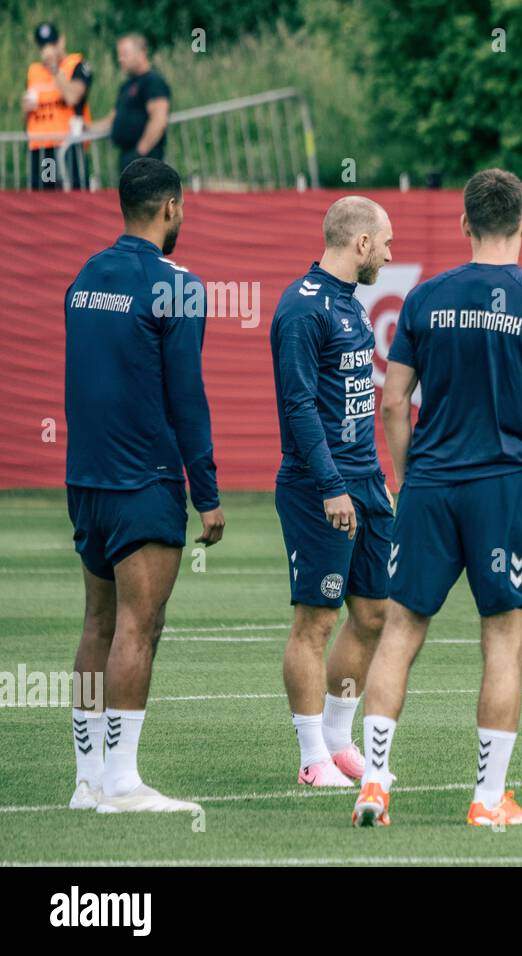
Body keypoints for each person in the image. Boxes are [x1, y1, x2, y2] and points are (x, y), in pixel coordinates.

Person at [351, 168, 522, 828]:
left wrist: (410, 477)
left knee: (399, 634)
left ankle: (373, 785)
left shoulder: (425, 299)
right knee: (503, 644)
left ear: (464, 224)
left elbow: (394, 400)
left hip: (430, 486)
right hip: (502, 488)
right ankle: (488, 800)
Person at [64, 157, 225, 813]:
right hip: (144, 481)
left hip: (87, 479)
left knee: (97, 622)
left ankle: (88, 778)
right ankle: (123, 784)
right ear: (171, 209)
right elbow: (187, 397)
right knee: (141, 624)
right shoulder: (178, 285)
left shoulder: (85, 277)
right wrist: (206, 492)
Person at [269, 197, 395, 787]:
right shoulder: (301, 307)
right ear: (361, 244)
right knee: (315, 620)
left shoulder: (351, 306)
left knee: (373, 613)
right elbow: (297, 405)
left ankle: (340, 739)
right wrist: (332, 486)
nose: (391, 253)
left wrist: (375, 480)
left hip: (366, 483)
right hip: (319, 488)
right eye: (386, 241)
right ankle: (311, 757)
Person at [23, 22, 92, 190]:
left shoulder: (76, 65)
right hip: (43, 149)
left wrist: (54, 68)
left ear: (61, 41)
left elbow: (72, 97)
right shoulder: (34, 71)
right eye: (43, 46)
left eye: (52, 44)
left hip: (68, 146)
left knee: (74, 196)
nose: (48, 50)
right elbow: (26, 118)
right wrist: (24, 108)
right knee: (47, 198)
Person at [88, 34, 171, 174]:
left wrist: (140, 152)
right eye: (119, 55)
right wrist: (87, 128)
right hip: (127, 155)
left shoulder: (153, 81)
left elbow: (158, 120)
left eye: (125, 54)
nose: (120, 59)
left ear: (142, 53)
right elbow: (112, 120)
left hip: (146, 158)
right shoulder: (126, 86)